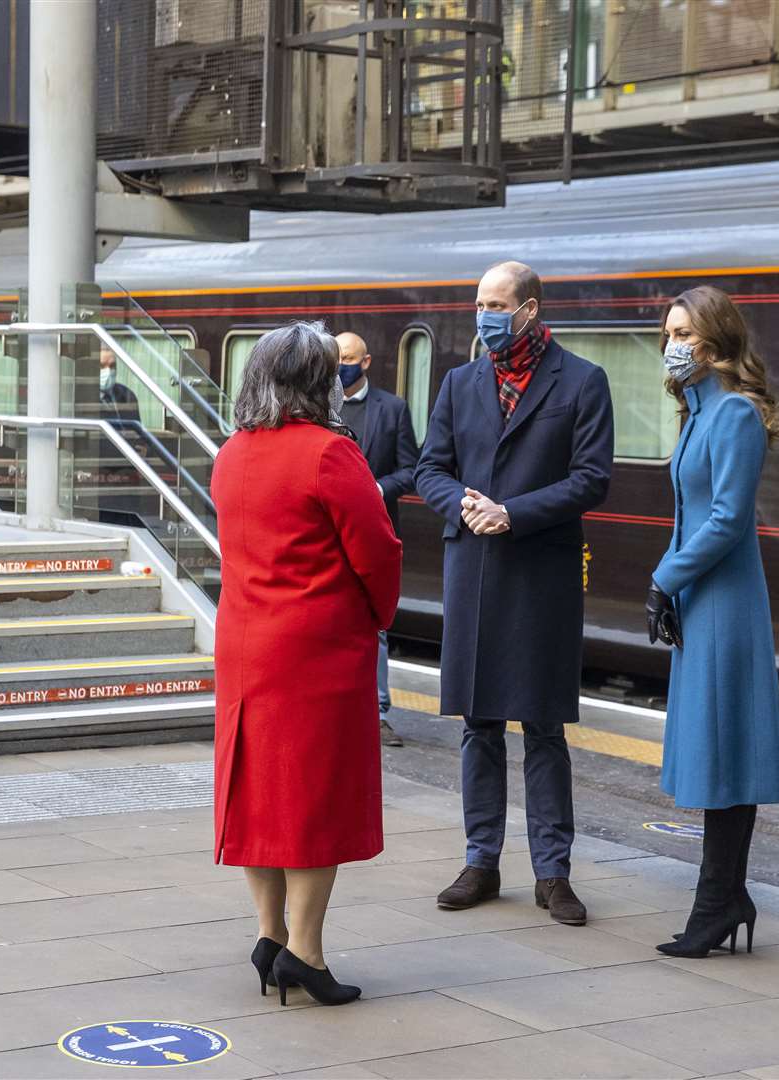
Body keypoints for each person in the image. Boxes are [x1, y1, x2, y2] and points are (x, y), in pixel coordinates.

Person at [414, 261, 613, 926]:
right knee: (479, 724)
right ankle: (482, 861)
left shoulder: (582, 380)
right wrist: (464, 505)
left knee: (544, 725)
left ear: (530, 309)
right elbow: (429, 468)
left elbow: (592, 478)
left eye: (497, 304)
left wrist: (514, 512)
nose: (484, 315)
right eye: (479, 303)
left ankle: (553, 873)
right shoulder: (460, 381)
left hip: (540, 574)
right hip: (472, 566)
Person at [210, 322, 402, 1006]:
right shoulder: (330, 454)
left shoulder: (231, 453)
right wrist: (375, 619)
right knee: (312, 805)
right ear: (319, 383)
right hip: (315, 657)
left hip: (242, 650)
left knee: (258, 798)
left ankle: (267, 937)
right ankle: (306, 953)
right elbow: (378, 552)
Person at [645, 285, 779, 958]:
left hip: (725, 602)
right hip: (701, 597)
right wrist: (673, 586)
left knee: (726, 746)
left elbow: (729, 519)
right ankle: (723, 898)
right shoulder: (698, 415)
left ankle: (718, 901)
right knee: (716, 746)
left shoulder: (733, 415)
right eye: (669, 334)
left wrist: (664, 578)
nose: (672, 347)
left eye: (683, 334)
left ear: (713, 342)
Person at [334, 330, 419, 748]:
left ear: (366, 362)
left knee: (377, 626)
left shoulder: (393, 409)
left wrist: (377, 490)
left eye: (348, 357)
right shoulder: (316, 407)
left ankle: (377, 711)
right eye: (334, 358)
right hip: (328, 535)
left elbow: (412, 469)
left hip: (376, 531)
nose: (340, 366)